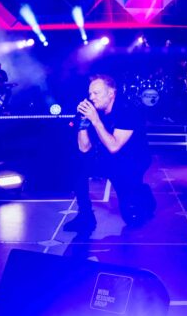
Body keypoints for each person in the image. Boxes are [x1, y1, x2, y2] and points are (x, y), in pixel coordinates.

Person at [65, 74, 156, 233]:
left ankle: (143, 193)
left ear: (111, 93)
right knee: (76, 164)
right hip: (108, 158)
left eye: (96, 93)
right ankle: (86, 216)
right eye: (90, 93)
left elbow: (114, 146)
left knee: (133, 217)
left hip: (132, 161)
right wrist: (83, 123)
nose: (91, 97)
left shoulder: (128, 110)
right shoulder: (96, 111)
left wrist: (95, 121)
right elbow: (84, 148)